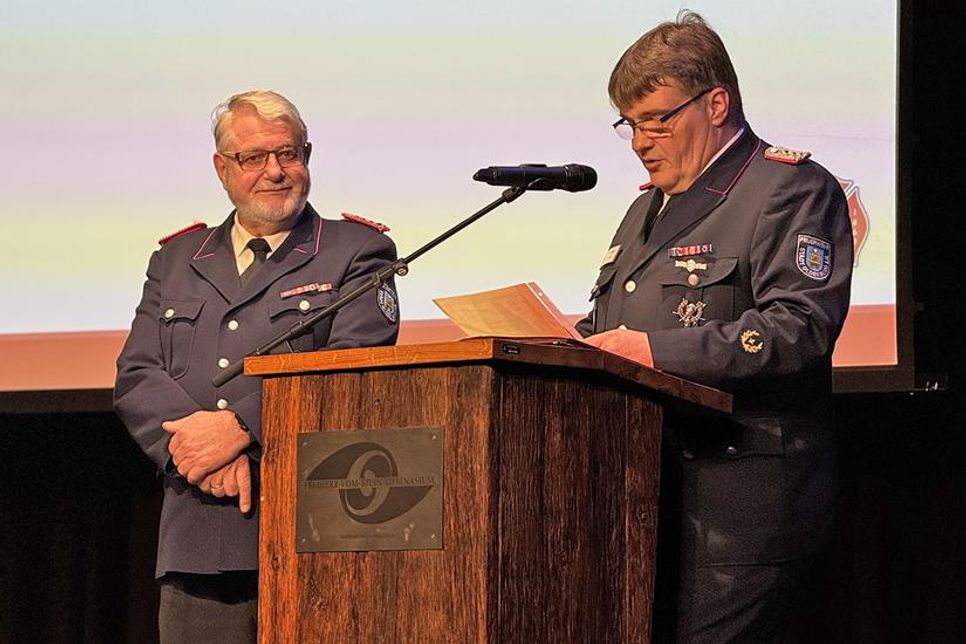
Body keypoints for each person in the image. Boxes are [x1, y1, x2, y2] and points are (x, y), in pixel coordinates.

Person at [577, 12, 853, 643]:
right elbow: (607, 326)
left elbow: (798, 329)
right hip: (649, 493)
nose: (641, 141)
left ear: (717, 102)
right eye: (630, 124)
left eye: (657, 120)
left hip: (741, 499)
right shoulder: (644, 210)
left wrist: (650, 350)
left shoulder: (788, 188)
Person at [114, 89, 400, 644]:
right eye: (253, 158)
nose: (274, 171)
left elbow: (355, 370)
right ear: (223, 169)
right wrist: (197, 451)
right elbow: (138, 374)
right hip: (199, 526)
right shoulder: (176, 259)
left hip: (315, 530)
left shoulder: (357, 251)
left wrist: (240, 427)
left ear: (308, 157)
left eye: (287, 154)